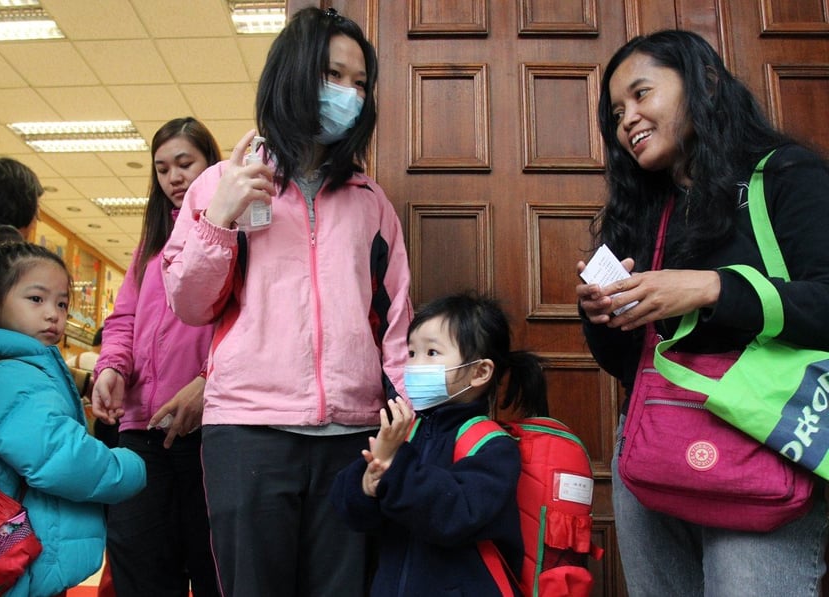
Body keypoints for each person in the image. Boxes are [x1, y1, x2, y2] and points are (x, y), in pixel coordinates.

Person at [161, 7, 413, 596]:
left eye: (358, 83)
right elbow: (190, 305)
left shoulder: (370, 202)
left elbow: (394, 321)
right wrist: (220, 219)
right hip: (250, 430)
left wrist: (406, 421)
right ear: (292, 74)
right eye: (333, 75)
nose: (348, 94)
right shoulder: (220, 183)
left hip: (352, 433)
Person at [576, 29, 829, 595]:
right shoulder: (643, 210)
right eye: (617, 112)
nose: (627, 120)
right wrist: (603, 314)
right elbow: (626, 363)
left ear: (705, 84)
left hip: (761, 443)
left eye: (642, 95)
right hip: (651, 446)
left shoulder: (785, 176)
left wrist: (711, 288)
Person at [0, 241, 147, 597]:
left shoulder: (1, 366)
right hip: (20, 555)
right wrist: (131, 466)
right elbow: (60, 457)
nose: (53, 314)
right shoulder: (17, 378)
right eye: (36, 299)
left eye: (61, 303)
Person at [330, 292, 547, 596]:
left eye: (432, 353)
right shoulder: (405, 432)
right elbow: (351, 513)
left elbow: (453, 516)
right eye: (411, 353)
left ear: (480, 372)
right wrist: (367, 482)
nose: (416, 365)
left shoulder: (492, 446)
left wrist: (394, 465)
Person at [92, 117, 222, 597]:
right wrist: (110, 369)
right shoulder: (148, 247)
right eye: (162, 168)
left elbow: (248, 327)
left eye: (185, 163)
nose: (174, 177)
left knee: (212, 569)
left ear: (212, 162)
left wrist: (209, 381)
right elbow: (122, 321)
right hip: (139, 434)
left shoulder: (239, 236)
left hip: (207, 432)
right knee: (141, 570)